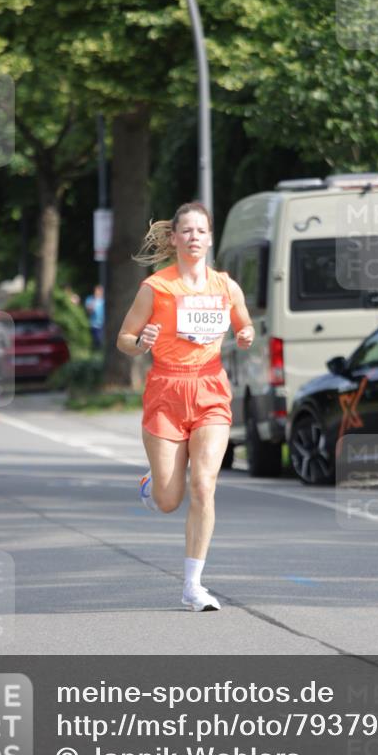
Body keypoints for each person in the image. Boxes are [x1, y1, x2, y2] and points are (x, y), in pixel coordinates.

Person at [117, 202, 254, 611]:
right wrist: (139, 343)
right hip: (166, 390)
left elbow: (245, 322)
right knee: (169, 499)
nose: (194, 237)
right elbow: (124, 337)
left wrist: (245, 334)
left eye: (201, 231)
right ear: (174, 239)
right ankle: (152, 487)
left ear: (210, 238)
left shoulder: (226, 287)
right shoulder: (156, 288)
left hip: (211, 389)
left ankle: (193, 586)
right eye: (187, 231)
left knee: (204, 485)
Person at [85, 284, 105, 349]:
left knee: (103, 340)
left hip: (104, 324)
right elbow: (89, 311)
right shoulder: (90, 299)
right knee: (97, 340)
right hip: (94, 324)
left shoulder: (105, 300)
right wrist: (95, 300)